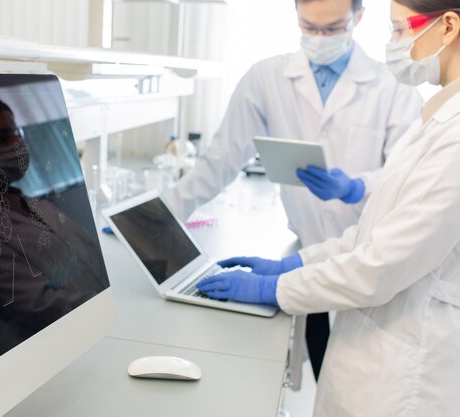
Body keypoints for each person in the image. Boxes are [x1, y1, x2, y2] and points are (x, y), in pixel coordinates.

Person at [197, 1, 460, 415]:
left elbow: (380, 265)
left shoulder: (455, 136)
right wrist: (294, 264)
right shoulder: (436, 119)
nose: (394, 44)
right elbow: (374, 231)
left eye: (398, 29)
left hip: (407, 371)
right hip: (374, 348)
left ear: (447, 27)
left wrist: (274, 289)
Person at [0, 97, 108, 334]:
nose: (18, 144)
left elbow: (90, 259)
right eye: (4, 137)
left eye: (17, 133)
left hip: (102, 324)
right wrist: (111, 307)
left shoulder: (38, 206)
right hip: (67, 342)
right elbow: (46, 307)